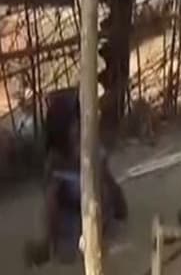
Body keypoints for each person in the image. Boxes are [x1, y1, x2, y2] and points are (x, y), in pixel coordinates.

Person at [32, 89, 128, 264]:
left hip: (99, 216)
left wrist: (119, 206)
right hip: (72, 224)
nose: (77, 129)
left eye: (78, 123)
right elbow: (50, 206)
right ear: (61, 130)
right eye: (73, 125)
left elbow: (109, 182)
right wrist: (48, 241)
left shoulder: (91, 148)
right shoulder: (55, 161)